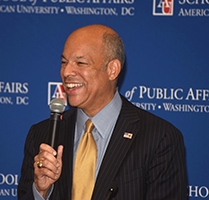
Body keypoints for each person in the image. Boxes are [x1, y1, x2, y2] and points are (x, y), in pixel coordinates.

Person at [17, 24, 187, 200]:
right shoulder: (42, 135)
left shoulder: (159, 138)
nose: (66, 72)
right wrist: (40, 191)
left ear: (112, 69)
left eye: (81, 63)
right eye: (64, 62)